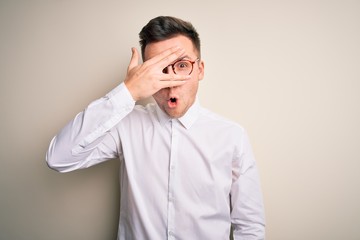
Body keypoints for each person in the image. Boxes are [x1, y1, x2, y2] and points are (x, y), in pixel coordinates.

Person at [46, 16, 265, 240]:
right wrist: (127, 91)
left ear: (200, 69)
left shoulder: (231, 136)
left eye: (182, 66)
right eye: (158, 69)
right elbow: (58, 158)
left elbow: (250, 226)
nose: (170, 81)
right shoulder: (126, 124)